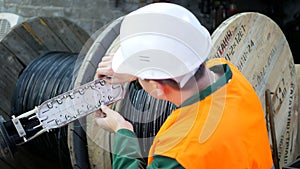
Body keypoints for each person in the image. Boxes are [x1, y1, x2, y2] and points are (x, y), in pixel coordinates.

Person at [95, 2, 274, 169]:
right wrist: (139, 75)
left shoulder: (177, 155)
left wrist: (122, 131)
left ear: (158, 87)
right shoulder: (231, 75)